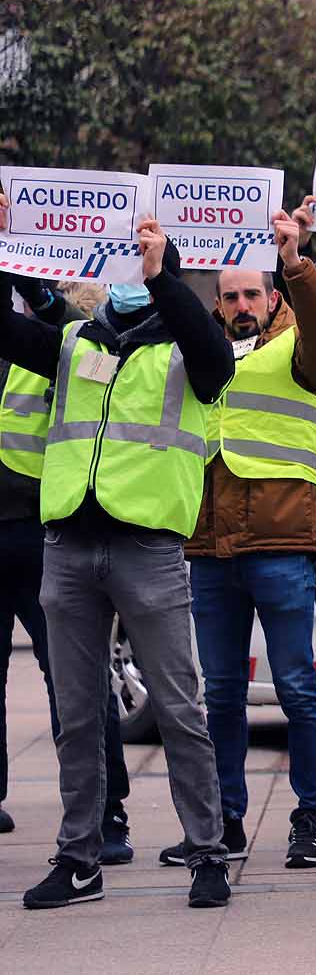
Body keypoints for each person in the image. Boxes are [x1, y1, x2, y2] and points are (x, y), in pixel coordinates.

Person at [0, 197, 235, 909]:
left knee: (179, 708)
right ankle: (80, 857)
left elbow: (216, 358)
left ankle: (207, 853)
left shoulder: (190, 348)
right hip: (68, 545)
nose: (128, 277)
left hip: (147, 549)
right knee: (76, 712)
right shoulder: (75, 341)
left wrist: (164, 277)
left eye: (144, 268)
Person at [154, 226, 316, 872]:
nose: (239, 304)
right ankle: (223, 820)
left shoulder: (299, 345)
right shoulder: (200, 347)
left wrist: (295, 263)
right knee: (224, 693)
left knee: (296, 685)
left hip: (280, 539)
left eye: (250, 294)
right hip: (209, 541)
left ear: (270, 298)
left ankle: (312, 815)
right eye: (229, 294)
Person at [0, 278, 134, 864]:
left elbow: (63, 331)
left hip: (44, 525)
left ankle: (106, 815)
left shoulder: (67, 337)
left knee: (75, 680)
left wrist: (23, 267)